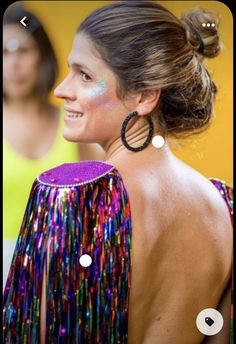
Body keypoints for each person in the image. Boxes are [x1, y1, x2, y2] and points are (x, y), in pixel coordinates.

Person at [3, 1, 233, 343]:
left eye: (84, 75)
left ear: (144, 95)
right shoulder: (223, 206)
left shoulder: (73, 196)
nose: (61, 90)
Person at [3, 4, 105, 287]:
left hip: (64, 276)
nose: (14, 64)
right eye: (4, 53)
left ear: (42, 55)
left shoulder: (76, 124)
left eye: (23, 50)